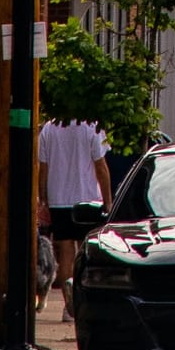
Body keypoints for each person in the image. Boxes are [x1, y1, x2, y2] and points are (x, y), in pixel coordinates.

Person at [38, 112, 113, 322]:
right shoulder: (92, 126)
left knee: (65, 253)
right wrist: (108, 200)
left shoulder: (49, 129)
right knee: (87, 251)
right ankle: (84, 299)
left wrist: (43, 200)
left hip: (58, 199)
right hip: (87, 198)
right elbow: (101, 166)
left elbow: (43, 168)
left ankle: (67, 305)